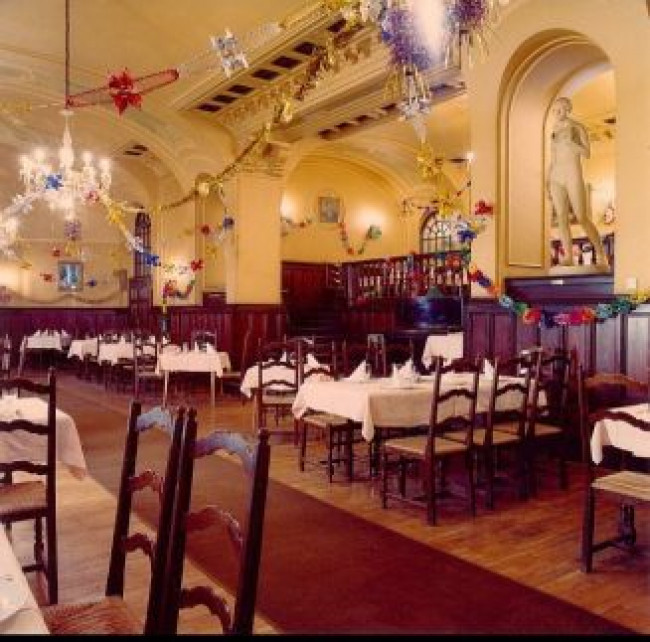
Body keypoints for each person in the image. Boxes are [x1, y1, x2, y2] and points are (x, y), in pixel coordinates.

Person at [547, 96, 608, 267]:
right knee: (561, 218)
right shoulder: (554, 130)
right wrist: (547, 179)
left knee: (581, 216)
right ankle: (568, 257)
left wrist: (572, 144)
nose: (557, 113)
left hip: (572, 173)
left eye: (560, 109)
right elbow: (553, 158)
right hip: (556, 176)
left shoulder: (577, 127)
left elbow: (587, 153)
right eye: (555, 110)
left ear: (568, 109)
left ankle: (601, 253)